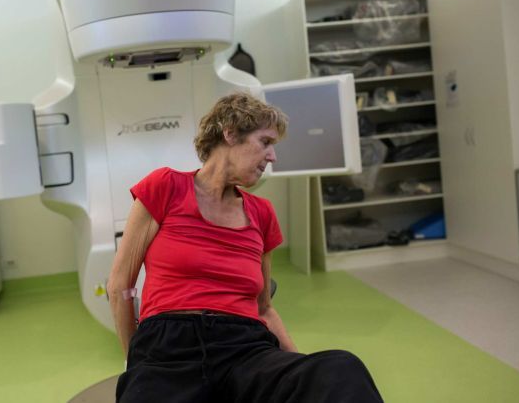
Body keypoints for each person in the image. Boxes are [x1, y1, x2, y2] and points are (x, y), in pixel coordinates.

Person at [108, 92, 383, 402]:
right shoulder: (165, 186)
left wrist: (299, 366)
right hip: (168, 347)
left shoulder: (262, 213)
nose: (272, 157)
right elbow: (120, 285)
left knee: (341, 368)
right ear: (230, 133)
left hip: (244, 348)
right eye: (265, 142)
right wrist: (135, 363)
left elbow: (264, 308)